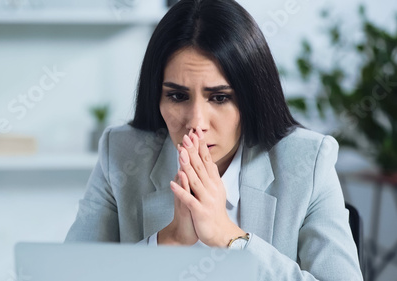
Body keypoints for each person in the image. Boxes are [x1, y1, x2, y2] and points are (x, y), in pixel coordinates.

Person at [65, 0, 363, 279]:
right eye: (177, 96)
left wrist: (230, 238)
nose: (196, 122)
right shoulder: (121, 154)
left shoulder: (308, 161)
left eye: (220, 97)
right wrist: (168, 242)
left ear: (251, 100)